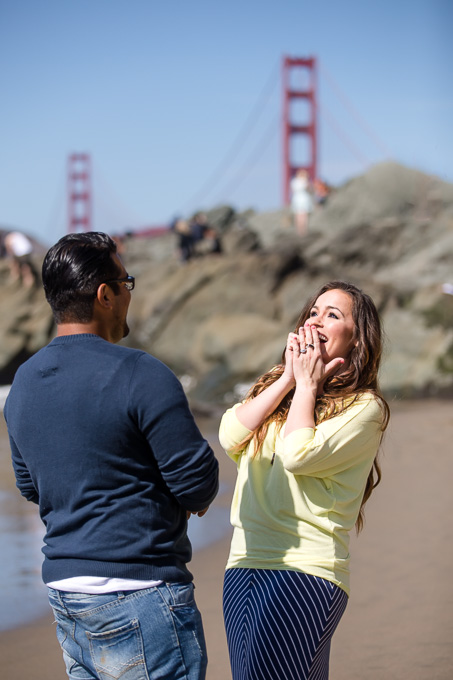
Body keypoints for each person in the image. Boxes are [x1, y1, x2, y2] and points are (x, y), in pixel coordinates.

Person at [4, 231, 219, 680]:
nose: (128, 295)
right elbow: (197, 483)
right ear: (105, 294)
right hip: (140, 590)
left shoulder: (22, 382)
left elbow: (30, 485)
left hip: (67, 594)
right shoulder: (141, 373)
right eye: (127, 283)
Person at [220, 280, 390, 680]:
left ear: (356, 338)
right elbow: (229, 435)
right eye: (313, 312)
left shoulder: (366, 408)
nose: (317, 320)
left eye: (333, 315)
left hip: (305, 570)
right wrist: (287, 380)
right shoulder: (282, 388)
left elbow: (298, 455)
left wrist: (308, 386)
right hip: (244, 562)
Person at [290, 168, 313, 236]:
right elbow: (310, 189)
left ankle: (300, 231)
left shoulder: (294, 181)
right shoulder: (303, 182)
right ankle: (302, 231)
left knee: (299, 216)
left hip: (298, 200)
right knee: (302, 216)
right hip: (302, 200)